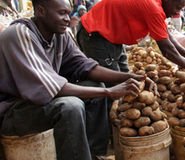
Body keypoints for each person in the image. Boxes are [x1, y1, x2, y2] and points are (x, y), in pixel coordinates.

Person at [0, 0, 157, 160]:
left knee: (94, 86)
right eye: (61, 13)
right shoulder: (19, 34)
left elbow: (87, 67)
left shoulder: (59, 36)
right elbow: (51, 87)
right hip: (13, 112)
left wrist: (131, 76)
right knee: (70, 106)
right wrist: (108, 91)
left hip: (38, 104)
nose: (68, 19)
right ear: (41, 11)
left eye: (68, 14)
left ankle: (95, 154)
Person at [77, 0, 185, 81]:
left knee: (126, 79)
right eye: (177, 7)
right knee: (112, 84)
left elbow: (167, 36)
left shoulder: (157, 5)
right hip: (95, 33)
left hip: (112, 38)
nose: (177, 12)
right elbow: (166, 49)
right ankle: (105, 122)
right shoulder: (153, 7)